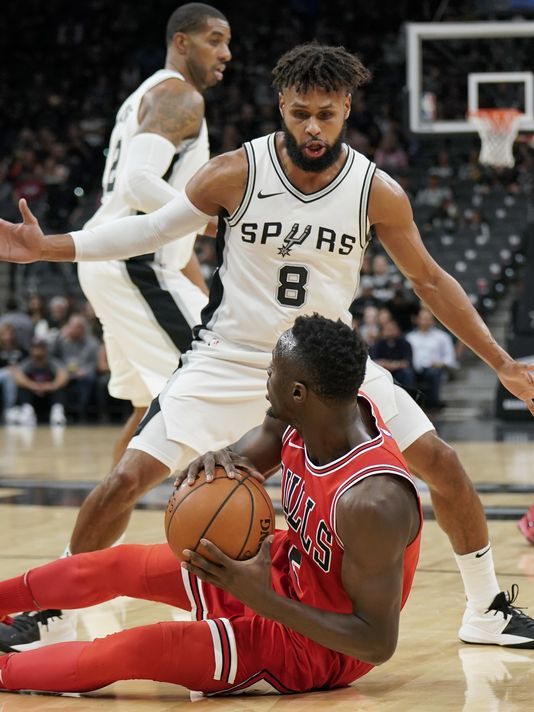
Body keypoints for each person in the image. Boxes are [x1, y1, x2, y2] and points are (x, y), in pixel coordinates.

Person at [1, 43, 534, 650]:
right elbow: (151, 229)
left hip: (329, 363)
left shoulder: (375, 190)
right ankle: (55, 614)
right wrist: (50, 246)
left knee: (442, 463)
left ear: (347, 109)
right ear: (282, 104)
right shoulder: (237, 171)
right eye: (301, 111)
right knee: (124, 480)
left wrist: (503, 363)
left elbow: (431, 280)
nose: (313, 126)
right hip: (228, 355)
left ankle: (486, 609)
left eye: (326, 114)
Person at [0, 315, 422, 695]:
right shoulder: (302, 414)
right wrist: (216, 461)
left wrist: (265, 602)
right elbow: (242, 458)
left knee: (134, 649)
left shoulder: (373, 501)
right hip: (277, 569)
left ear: (298, 391)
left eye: (272, 371)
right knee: (110, 566)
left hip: (314, 648)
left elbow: (376, 642)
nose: (266, 378)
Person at [76, 2, 231, 462]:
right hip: (134, 265)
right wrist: (214, 223)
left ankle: (94, 530)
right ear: (181, 43)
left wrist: (205, 299)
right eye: (215, 41)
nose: (226, 54)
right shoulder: (180, 96)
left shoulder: (146, 96)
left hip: (121, 263)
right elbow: (138, 184)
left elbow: (168, 233)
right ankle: (234, 525)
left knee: (148, 405)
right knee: (215, 384)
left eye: (228, 44)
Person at [407, 307, 458, 412]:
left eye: (428, 319)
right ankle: (410, 406)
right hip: (413, 368)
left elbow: (450, 358)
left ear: (433, 320)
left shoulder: (442, 337)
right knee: (406, 374)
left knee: (434, 374)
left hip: (433, 367)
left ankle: (433, 406)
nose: (425, 321)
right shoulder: (410, 337)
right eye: (423, 318)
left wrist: (441, 363)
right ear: (417, 320)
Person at [11, 338, 68, 426]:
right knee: (22, 387)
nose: (38, 351)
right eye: (35, 348)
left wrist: (52, 386)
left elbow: (63, 376)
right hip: (33, 396)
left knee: (60, 388)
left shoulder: (53, 362)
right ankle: (27, 411)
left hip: (49, 396)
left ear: (46, 349)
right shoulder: (27, 362)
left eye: (40, 348)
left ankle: (57, 413)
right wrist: (32, 385)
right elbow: (18, 377)